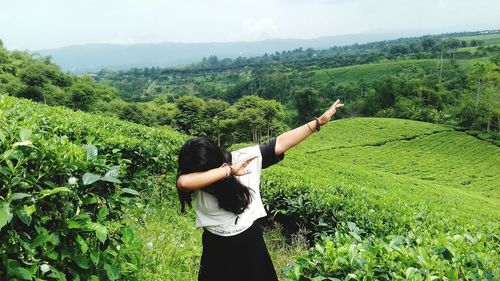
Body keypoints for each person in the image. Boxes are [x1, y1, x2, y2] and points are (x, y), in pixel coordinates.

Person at [176, 99, 344, 281]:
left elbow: (281, 142)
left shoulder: (242, 158)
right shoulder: (200, 177)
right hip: (216, 245)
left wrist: (319, 121)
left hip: (249, 241)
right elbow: (184, 183)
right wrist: (229, 171)